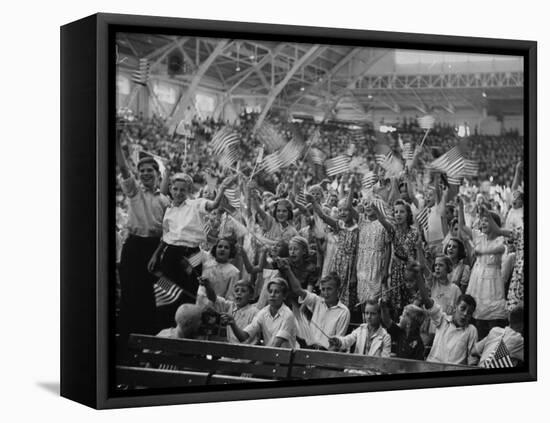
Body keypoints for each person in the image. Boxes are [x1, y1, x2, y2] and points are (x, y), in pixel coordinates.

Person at [148, 172, 237, 331]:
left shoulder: (197, 204)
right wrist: (155, 255)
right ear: (170, 189)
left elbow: (214, 205)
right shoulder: (168, 210)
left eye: (183, 190)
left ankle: (185, 328)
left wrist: (222, 188)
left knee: (188, 290)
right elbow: (166, 236)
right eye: (175, 189)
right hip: (171, 252)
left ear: (188, 190)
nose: (178, 193)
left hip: (192, 254)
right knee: (167, 290)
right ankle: (165, 329)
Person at [116, 133, 171, 348]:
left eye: (150, 171)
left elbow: (167, 233)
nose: (146, 174)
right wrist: (117, 145)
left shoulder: (165, 200)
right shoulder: (134, 192)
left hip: (154, 249)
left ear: (158, 175)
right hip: (134, 246)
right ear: (138, 175)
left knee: (150, 296)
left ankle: (147, 342)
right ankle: (124, 343)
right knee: (130, 294)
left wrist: (157, 254)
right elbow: (123, 169)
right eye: (143, 171)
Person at [458, 198, 508, 338]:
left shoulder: (500, 239)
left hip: (491, 284)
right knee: (478, 318)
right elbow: (462, 226)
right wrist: (460, 207)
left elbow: (498, 249)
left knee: (493, 320)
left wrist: (482, 252)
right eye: (482, 220)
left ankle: (492, 346)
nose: (483, 223)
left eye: (487, 220)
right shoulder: (478, 237)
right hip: (478, 281)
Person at [414, 261, 478, 365]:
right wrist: (418, 276)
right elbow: (427, 300)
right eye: (463, 308)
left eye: (469, 312)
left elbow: (472, 360)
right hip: (432, 367)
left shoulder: (471, 330)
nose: (465, 314)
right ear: (455, 307)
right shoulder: (443, 320)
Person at [281, 261, 350, 349]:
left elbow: (338, 342)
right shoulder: (317, 301)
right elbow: (298, 290)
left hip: (326, 353)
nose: (325, 293)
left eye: (329, 289)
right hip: (308, 348)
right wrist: (288, 270)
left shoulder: (344, 311)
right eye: (323, 289)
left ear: (338, 290)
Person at [374, 198, 419, 320]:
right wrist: (375, 207)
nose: (398, 214)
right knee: (396, 300)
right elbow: (382, 220)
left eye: (402, 212)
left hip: (410, 269)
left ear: (408, 214)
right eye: (396, 212)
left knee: (411, 299)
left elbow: (418, 253)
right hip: (396, 268)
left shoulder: (415, 232)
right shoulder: (393, 230)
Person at [223, 278, 298, 348]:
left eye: (277, 292)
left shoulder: (288, 315)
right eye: (270, 291)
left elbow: (276, 344)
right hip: (270, 355)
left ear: (284, 296)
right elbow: (243, 337)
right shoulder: (263, 313)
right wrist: (233, 324)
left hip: (284, 359)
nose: (272, 295)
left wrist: (260, 360)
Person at [197, 278, 259, 344]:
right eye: (236, 291)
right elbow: (214, 299)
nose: (239, 293)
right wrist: (207, 286)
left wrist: (232, 323)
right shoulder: (230, 306)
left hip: (248, 351)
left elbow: (243, 338)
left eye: (243, 291)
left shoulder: (255, 312)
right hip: (231, 349)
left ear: (251, 296)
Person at [356, 199, 391, 304]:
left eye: (372, 205)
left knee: (374, 296)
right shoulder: (362, 222)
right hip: (362, 264)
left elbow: (388, 247)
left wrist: (385, 270)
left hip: (376, 264)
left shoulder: (383, 224)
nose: (368, 207)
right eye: (366, 204)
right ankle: (364, 318)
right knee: (362, 295)